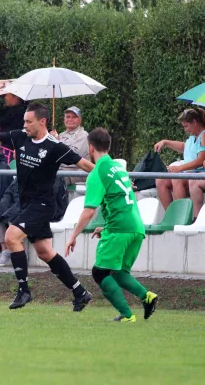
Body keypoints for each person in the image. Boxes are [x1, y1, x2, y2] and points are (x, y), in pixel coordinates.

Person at [0, 102, 94, 310]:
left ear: (42, 121)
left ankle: (24, 291)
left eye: (29, 121)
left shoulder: (55, 147)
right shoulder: (21, 136)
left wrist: (114, 178)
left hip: (44, 204)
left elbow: (85, 165)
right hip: (27, 203)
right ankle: (80, 292)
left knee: (11, 236)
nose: (25, 125)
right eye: (24, 121)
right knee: (45, 252)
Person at [65, 128, 159, 322]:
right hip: (136, 227)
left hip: (120, 229)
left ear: (90, 148)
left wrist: (73, 236)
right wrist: (106, 227)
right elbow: (121, 202)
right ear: (107, 146)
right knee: (117, 272)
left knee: (99, 272)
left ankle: (127, 316)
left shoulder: (97, 172)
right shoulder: (118, 168)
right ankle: (147, 297)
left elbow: (89, 210)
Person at [154, 108, 205, 219]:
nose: (185, 130)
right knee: (160, 180)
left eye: (186, 126)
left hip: (197, 174)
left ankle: (180, 218)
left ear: (195, 122)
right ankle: (171, 217)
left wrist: (179, 168)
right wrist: (165, 142)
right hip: (188, 173)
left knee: (177, 178)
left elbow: (201, 160)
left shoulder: (203, 135)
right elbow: (184, 147)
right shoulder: (193, 137)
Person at [50, 106, 90, 185]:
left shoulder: (83, 135)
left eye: (74, 117)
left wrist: (57, 141)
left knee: (56, 179)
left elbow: (74, 155)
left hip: (75, 171)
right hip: (59, 169)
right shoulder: (61, 135)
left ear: (80, 120)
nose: (70, 119)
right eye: (68, 117)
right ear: (64, 119)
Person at [0, 92, 26, 164]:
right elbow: (2, 114)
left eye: (7, 95)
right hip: (9, 144)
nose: (5, 98)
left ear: (15, 97)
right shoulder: (19, 108)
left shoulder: (18, 110)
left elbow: (1, 121)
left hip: (10, 147)